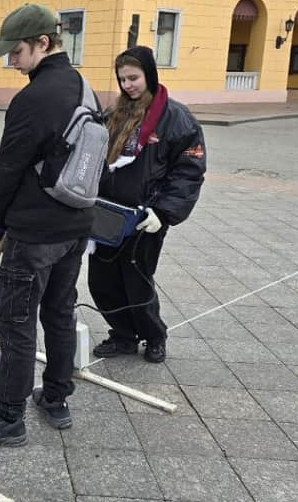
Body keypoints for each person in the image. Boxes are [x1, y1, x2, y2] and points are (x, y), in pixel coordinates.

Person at [0, 3, 93, 448]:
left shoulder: (32, 99)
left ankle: (9, 417)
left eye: (16, 52)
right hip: (75, 228)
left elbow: (7, 167)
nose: (10, 61)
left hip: (32, 232)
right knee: (60, 314)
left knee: (16, 324)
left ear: (43, 44)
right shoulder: (84, 87)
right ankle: (55, 397)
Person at [88, 45, 206, 364]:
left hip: (145, 217)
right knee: (101, 281)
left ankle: (154, 336)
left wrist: (164, 212)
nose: (128, 85)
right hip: (107, 214)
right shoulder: (114, 114)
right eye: (123, 79)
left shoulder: (176, 118)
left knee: (137, 281)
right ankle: (123, 335)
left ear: (150, 75)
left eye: (134, 77)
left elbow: (189, 170)